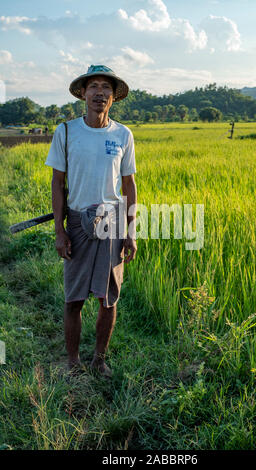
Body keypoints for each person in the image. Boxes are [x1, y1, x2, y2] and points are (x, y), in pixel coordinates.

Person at [45, 65, 137, 377]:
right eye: (94, 86)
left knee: (108, 299)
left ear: (114, 97)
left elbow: (129, 186)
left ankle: (99, 359)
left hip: (112, 224)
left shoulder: (123, 134)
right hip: (77, 224)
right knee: (74, 299)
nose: (100, 93)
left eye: (106, 88)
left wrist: (130, 230)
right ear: (83, 93)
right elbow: (57, 184)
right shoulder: (67, 131)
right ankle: (73, 362)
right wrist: (59, 230)